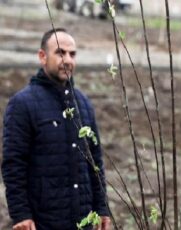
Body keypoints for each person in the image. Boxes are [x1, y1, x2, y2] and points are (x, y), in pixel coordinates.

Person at [2, 28, 111, 230]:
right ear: (42, 57)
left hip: (83, 220)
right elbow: (13, 165)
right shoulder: (22, 104)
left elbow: (95, 161)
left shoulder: (84, 104)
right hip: (44, 222)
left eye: (72, 54)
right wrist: (21, 214)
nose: (68, 60)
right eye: (60, 53)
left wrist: (102, 208)